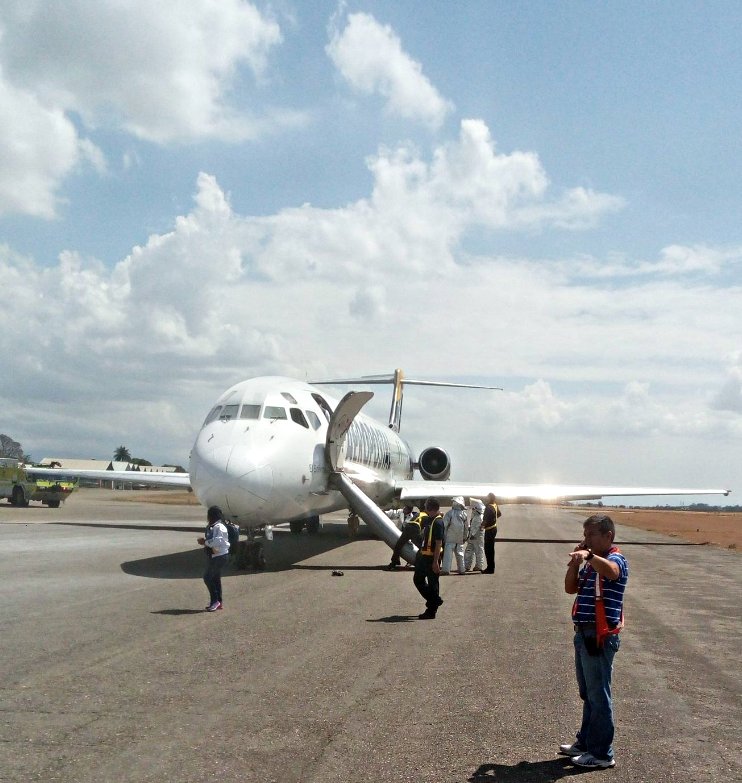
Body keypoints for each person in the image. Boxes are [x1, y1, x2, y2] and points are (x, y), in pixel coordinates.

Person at [560, 513, 629, 770]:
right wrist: (575, 563)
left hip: (598, 635)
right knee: (588, 693)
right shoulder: (591, 563)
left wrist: (588, 556)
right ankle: (586, 743)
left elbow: (612, 572)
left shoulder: (615, 559)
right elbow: (570, 588)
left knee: (599, 695)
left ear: (608, 536)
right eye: (585, 534)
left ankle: (601, 753)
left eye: (591, 535)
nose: (585, 539)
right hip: (584, 633)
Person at [413, 498, 444, 619]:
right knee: (418, 579)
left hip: (432, 558)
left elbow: (439, 543)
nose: (424, 507)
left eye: (426, 505)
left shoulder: (438, 522)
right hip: (423, 556)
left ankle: (431, 610)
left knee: (433, 584)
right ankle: (435, 599)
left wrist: (436, 561)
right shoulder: (430, 519)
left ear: (430, 508)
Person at [197, 505, 230, 611]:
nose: (207, 517)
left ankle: (215, 601)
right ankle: (219, 602)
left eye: (209, 515)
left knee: (207, 577)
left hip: (219, 556)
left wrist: (205, 542)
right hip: (215, 555)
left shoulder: (219, 527)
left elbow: (219, 540)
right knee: (215, 578)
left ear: (212, 516)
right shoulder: (212, 526)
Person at [386, 504, 421, 569]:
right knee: (397, 547)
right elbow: (393, 513)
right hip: (399, 533)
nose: (404, 510)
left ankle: (410, 561)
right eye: (404, 508)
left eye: (406, 509)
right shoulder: (401, 512)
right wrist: (385, 513)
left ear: (409, 511)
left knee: (411, 547)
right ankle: (395, 561)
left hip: (408, 534)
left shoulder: (412, 517)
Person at [441, 496, 468, 575]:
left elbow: (444, 525)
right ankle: (462, 569)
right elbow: (466, 527)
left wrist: (442, 535)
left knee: (448, 555)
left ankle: (446, 570)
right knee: (460, 554)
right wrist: (465, 537)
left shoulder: (450, 513)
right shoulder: (464, 514)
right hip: (459, 538)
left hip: (450, 538)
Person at [482, 492, 501, 573]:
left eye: (487, 497)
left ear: (490, 498)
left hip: (489, 530)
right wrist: (493, 519)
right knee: (491, 549)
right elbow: (499, 514)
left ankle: (490, 568)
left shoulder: (488, 507)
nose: (486, 498)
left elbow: (485, 520)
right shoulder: (495, 505)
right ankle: (491, 567)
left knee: (488, 549)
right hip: (494, 528)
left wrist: (481, 526)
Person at [465, 498, 486, 571]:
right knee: (472, 551)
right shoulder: (478, 516)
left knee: (477, 551)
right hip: (475, 537)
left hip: (475, 537)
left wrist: (471, 536)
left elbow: (475, 528)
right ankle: (468, 565)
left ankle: (477, 566)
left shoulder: (478, 517)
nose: (472, 510)